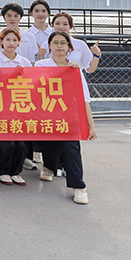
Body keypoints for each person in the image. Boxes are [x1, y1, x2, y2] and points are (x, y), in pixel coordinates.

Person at [35, 31, 97, 204]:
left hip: (68, 117)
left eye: (63, 43)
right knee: (49, 145)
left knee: (71, 147)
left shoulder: (75, 70)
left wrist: (91, 126)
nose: (59, 46)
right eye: (55, 43)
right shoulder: (41, 65)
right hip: (46, 115)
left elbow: (84, 99)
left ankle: (78, 187)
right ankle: (49, 167)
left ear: (69, 47)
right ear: (49, 46)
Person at [0, 27, 32, 186]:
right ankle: (2, 171)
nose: (11, 43)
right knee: (6, 143)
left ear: (19, 43)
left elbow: (32, 82)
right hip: (0, 108)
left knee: (20, 143)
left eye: (15, 40)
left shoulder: (24, 62)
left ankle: (15, 172)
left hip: (19, 107)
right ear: (1, 41)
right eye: (7, 39)